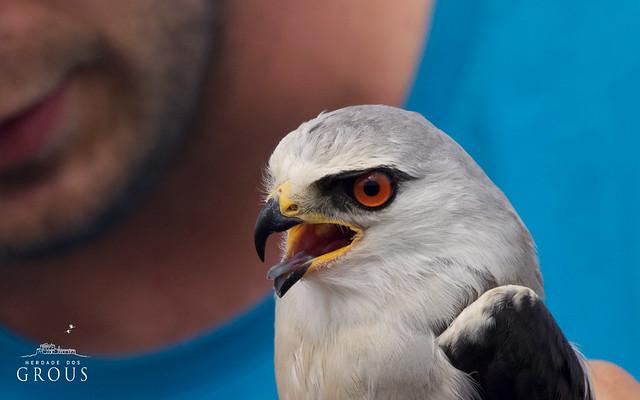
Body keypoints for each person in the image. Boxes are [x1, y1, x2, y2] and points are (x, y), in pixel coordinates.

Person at [0, 1, 636, 399]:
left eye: (367, 191)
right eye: (282, 194)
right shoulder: (307, 305)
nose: (285, 217)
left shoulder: (497, 330)